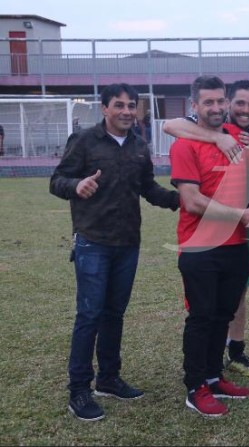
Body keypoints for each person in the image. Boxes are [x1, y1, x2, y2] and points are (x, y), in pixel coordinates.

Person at [49, 83, 180, 421]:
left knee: (113, 315)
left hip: (127, 243)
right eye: (118, 105)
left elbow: (147, 187)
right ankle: (79, 389)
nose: (126, 111)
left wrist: (181, 199)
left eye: (131, 105)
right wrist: (76, 186)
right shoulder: (85, 141)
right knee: (89, 315)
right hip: (93, 241)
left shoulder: (138, 145)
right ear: (104, 108)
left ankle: (108, 378)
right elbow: (57, 179)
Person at [169, 75, 249, 417]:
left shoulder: (236, 137)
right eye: (208, 102)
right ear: (195, 106)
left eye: (220, 101)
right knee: (201, 317)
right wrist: (241, 215)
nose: (216, 108)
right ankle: (195, 386)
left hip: (235, 245)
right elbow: (192, 201)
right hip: (200, 246)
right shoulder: (185, 144)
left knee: (222, 316)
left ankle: (214, 377)